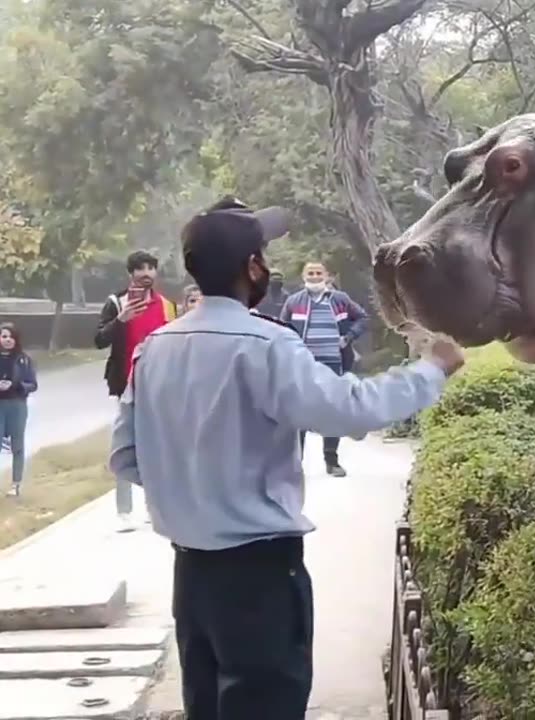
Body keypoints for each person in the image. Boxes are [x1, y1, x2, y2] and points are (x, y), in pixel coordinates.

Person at [107, 196, 464, 720]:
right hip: (260, 577)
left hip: (192, 579)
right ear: (252, 267)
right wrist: (433, 369)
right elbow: (347, 410)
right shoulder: (265, 345)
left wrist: (190, 488)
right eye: (263, 255)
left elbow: (125, 457)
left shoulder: (154, 348)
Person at [95, 250, 177, 531]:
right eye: (140, 268)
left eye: (151, 268)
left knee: (157, 446)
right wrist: (122, 319)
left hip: (159, 383)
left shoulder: (167, 305)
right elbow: (98, 340)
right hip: (125, 384)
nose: (146, 273)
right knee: (125, 445)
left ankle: (153, 506)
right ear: (130, 274)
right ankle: (123, 511)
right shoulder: (115, 303)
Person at [279, 261, 370, 477]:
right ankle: (295, 464)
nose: (314, 276)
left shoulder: (340, 300)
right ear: (303, 276)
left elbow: (363, 318)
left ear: (327, 276)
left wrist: (348, 337)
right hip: (303, 365)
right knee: (299, 413)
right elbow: (281, 328)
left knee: (332, 411)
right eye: (310, 273)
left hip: (333, 363)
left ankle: (332, 461)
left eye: (318, 272)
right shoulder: (294, 302)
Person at [0, 323, 36, 497]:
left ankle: (15, 484)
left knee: (17, 445)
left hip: (17, 404)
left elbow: (33, 384)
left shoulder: (23, 359)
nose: (7, 340)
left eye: (10, 337)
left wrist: (16, 385)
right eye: (4, 336)